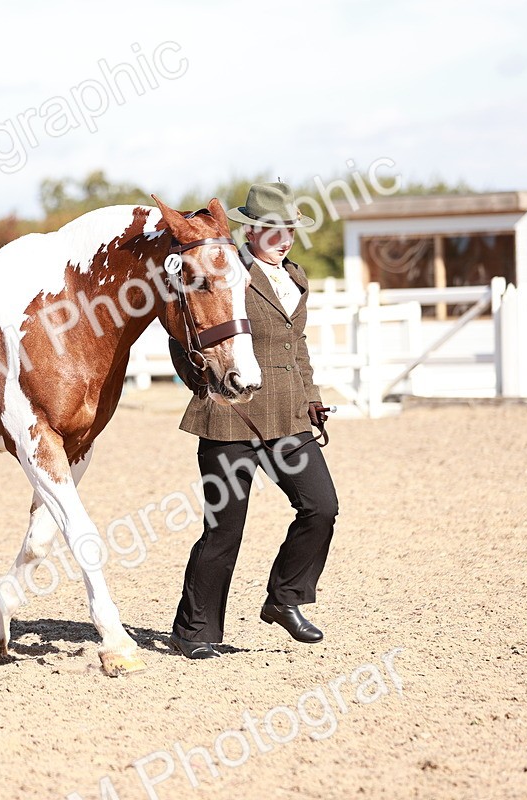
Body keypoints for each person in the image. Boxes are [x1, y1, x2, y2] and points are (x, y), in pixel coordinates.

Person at [166, 182, 339, 660]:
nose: (286, 239)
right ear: (252, 230)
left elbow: (296, 347)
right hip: (229, 418)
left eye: (291, 231)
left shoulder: (296, 277)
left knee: (321, 508)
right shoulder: (226, 271)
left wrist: (313, 399)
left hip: (288, 415)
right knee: (225, 530)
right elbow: (185, 332)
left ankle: (285, 599)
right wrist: (201, 382)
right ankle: (194, 632)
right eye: (276, 230)